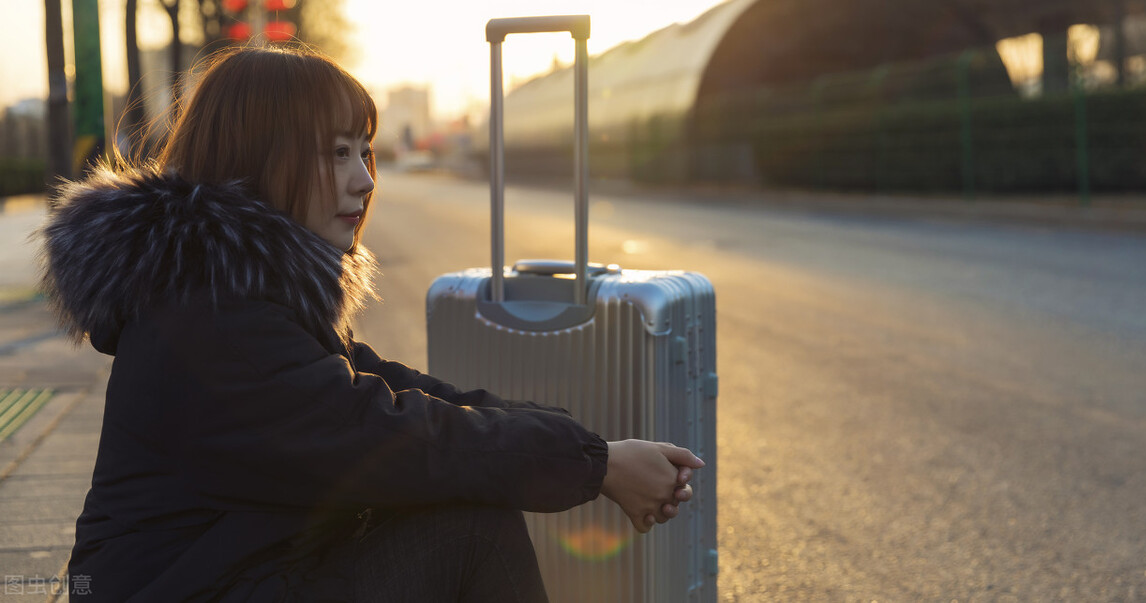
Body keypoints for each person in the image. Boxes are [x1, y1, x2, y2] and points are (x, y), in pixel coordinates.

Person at [39, 45, 703, 602]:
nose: (364, 180)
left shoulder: (232, 290)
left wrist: (594, 452)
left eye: (366, 150)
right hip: (194, 587)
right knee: (471, 525)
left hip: (227, 575)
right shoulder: (211, 315)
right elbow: (391, 435)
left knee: (459, 498)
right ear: (259, 159)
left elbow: (406, 393)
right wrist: (597, 465)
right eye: (336, 153)